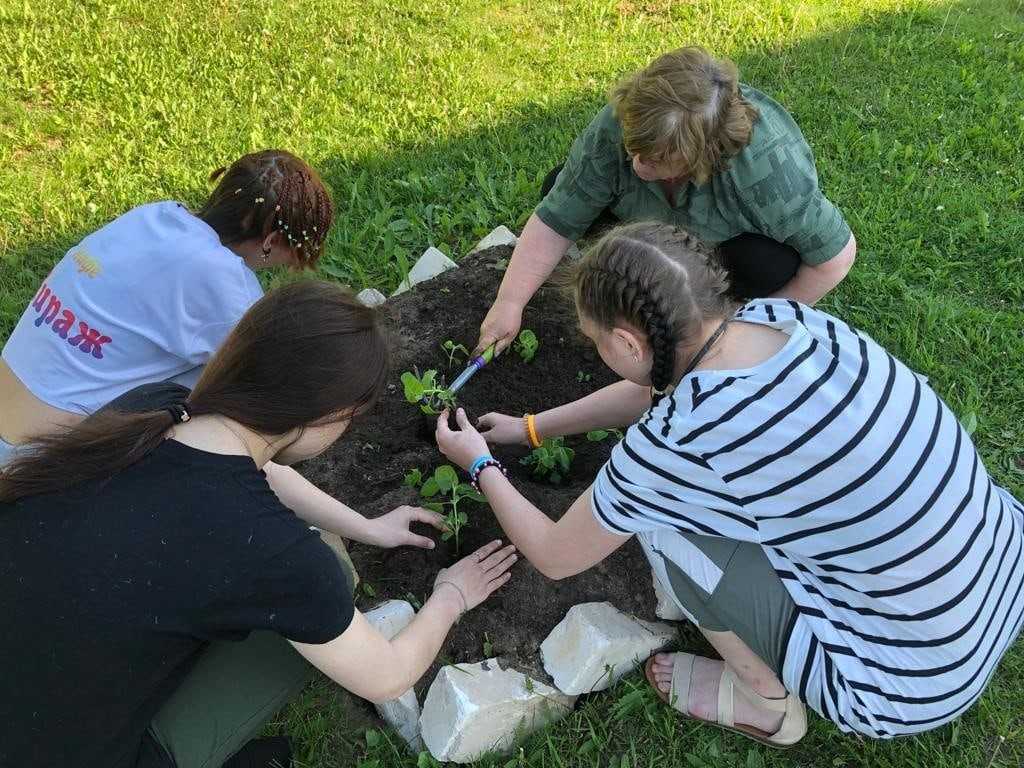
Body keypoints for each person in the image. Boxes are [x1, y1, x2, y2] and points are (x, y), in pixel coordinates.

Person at [439, 222, 1023, 745]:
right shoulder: (785, 322)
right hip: (1003, 573)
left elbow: (556, 554)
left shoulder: (679, 441)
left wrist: (479, 463)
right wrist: (532, 429)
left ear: (627, 344)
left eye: (596, 339)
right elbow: (658, 386)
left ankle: (767, 706)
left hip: (904, 686)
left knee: (664, 527)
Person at [0, 281, 517, 768]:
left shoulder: (154, 411)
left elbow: (262, 467)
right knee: (329, 585)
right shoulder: (277, 560)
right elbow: (386, 676)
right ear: (331, 414)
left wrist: (366, 525)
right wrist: (450, 594)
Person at [476, 46, 857, 355]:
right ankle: (633, 278)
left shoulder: (768, 176)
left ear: (704, 157)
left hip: (720, 250)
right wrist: (509, 303)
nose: (639, 164)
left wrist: (742, 328)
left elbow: (835, 259)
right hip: (646, 223)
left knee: (772, 264)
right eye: (634, 147)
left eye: (657, 159)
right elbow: (558, 216)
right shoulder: (623, 122)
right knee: (557, 184)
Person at [0, 149, 334, 465]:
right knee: (232, 396)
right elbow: (271, 399)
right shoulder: (226, 283)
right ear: (271, 241)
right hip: (34, 461)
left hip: (10, 409)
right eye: (292, 253)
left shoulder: (153, 215)